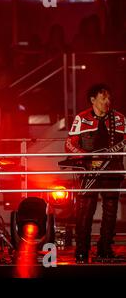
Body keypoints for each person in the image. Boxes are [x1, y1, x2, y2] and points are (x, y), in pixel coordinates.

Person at [65, 84, 126, 263]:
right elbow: (69, 145)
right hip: (89, 171)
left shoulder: (120, 118)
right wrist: (88, 158)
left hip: (112, 170)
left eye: (108, 98)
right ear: (93, 100)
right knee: (85, 210)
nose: (107, 101)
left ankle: (105, 249)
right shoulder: (81, 118)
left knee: (110, 210)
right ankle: (82, 250)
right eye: (103, 98)